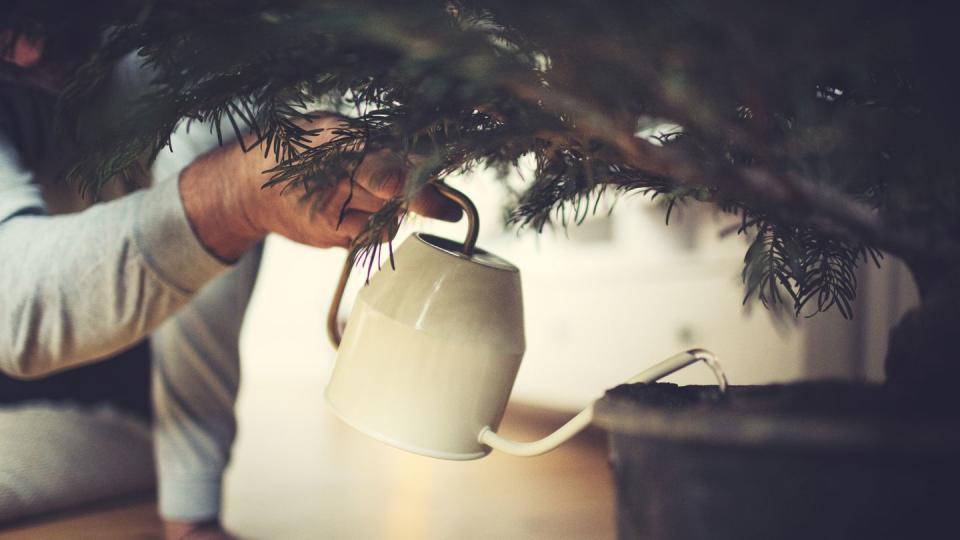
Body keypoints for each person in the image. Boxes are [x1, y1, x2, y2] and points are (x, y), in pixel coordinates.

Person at [0, 15, 459, 540]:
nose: (30, 51)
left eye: (35, 12)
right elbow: (15, 307)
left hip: (122, 377)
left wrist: (192, 513)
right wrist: (234, 196)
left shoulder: (182, 54)